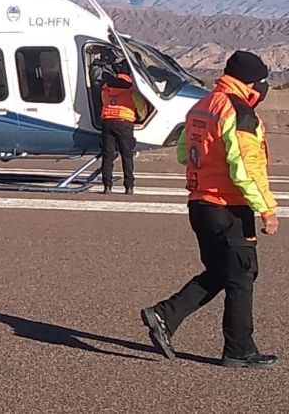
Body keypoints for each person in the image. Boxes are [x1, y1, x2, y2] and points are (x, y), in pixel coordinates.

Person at [141, 50, 280, 369]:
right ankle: (239, 350)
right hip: (228, 207)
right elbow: (246, 166)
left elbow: (182, 153)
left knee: (220, 272)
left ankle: (163, 315)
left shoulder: (202, 104)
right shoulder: (239, 111)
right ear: (253, 83)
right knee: (242, 277)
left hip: (200, 205)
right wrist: (267, 209)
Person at [99, 60, 145, 195]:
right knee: (127, 155)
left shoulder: (106, 87)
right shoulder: (131, 88)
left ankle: (107, 186)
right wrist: (140, 117)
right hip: (125, 122)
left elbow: (103, 101)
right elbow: (140, 108)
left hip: (107, 121)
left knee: (107, 155)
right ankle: (129, 186)